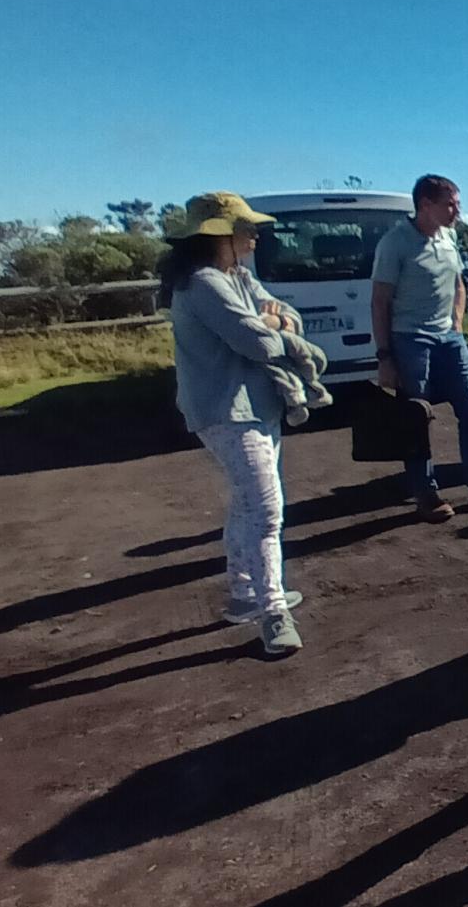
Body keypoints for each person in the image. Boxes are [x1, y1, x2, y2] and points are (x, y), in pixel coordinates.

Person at [160, 192, 307, 655]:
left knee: (248, 504)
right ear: (219, 234)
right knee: (266, 509)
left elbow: (290, 317)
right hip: (227, 411)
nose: (255, 234)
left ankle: (246, 593)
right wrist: (274, 327)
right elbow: (258, 344)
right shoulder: (204, 283)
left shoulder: (237, 277)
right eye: (245, 227)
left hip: (255, 406)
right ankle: (273, 612)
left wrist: (275, 322)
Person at [371, 174, 468, 523]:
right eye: (450, 205)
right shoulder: (396, 243)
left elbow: (457, 283)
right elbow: (380, 301)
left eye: (457, 204)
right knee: (417, 416)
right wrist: (385, 356)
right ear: (425, 205)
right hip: (410, 338)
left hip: (449, 338)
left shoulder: (449, 236)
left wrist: (455, 323)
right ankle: (425, 492)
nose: (457, 211)